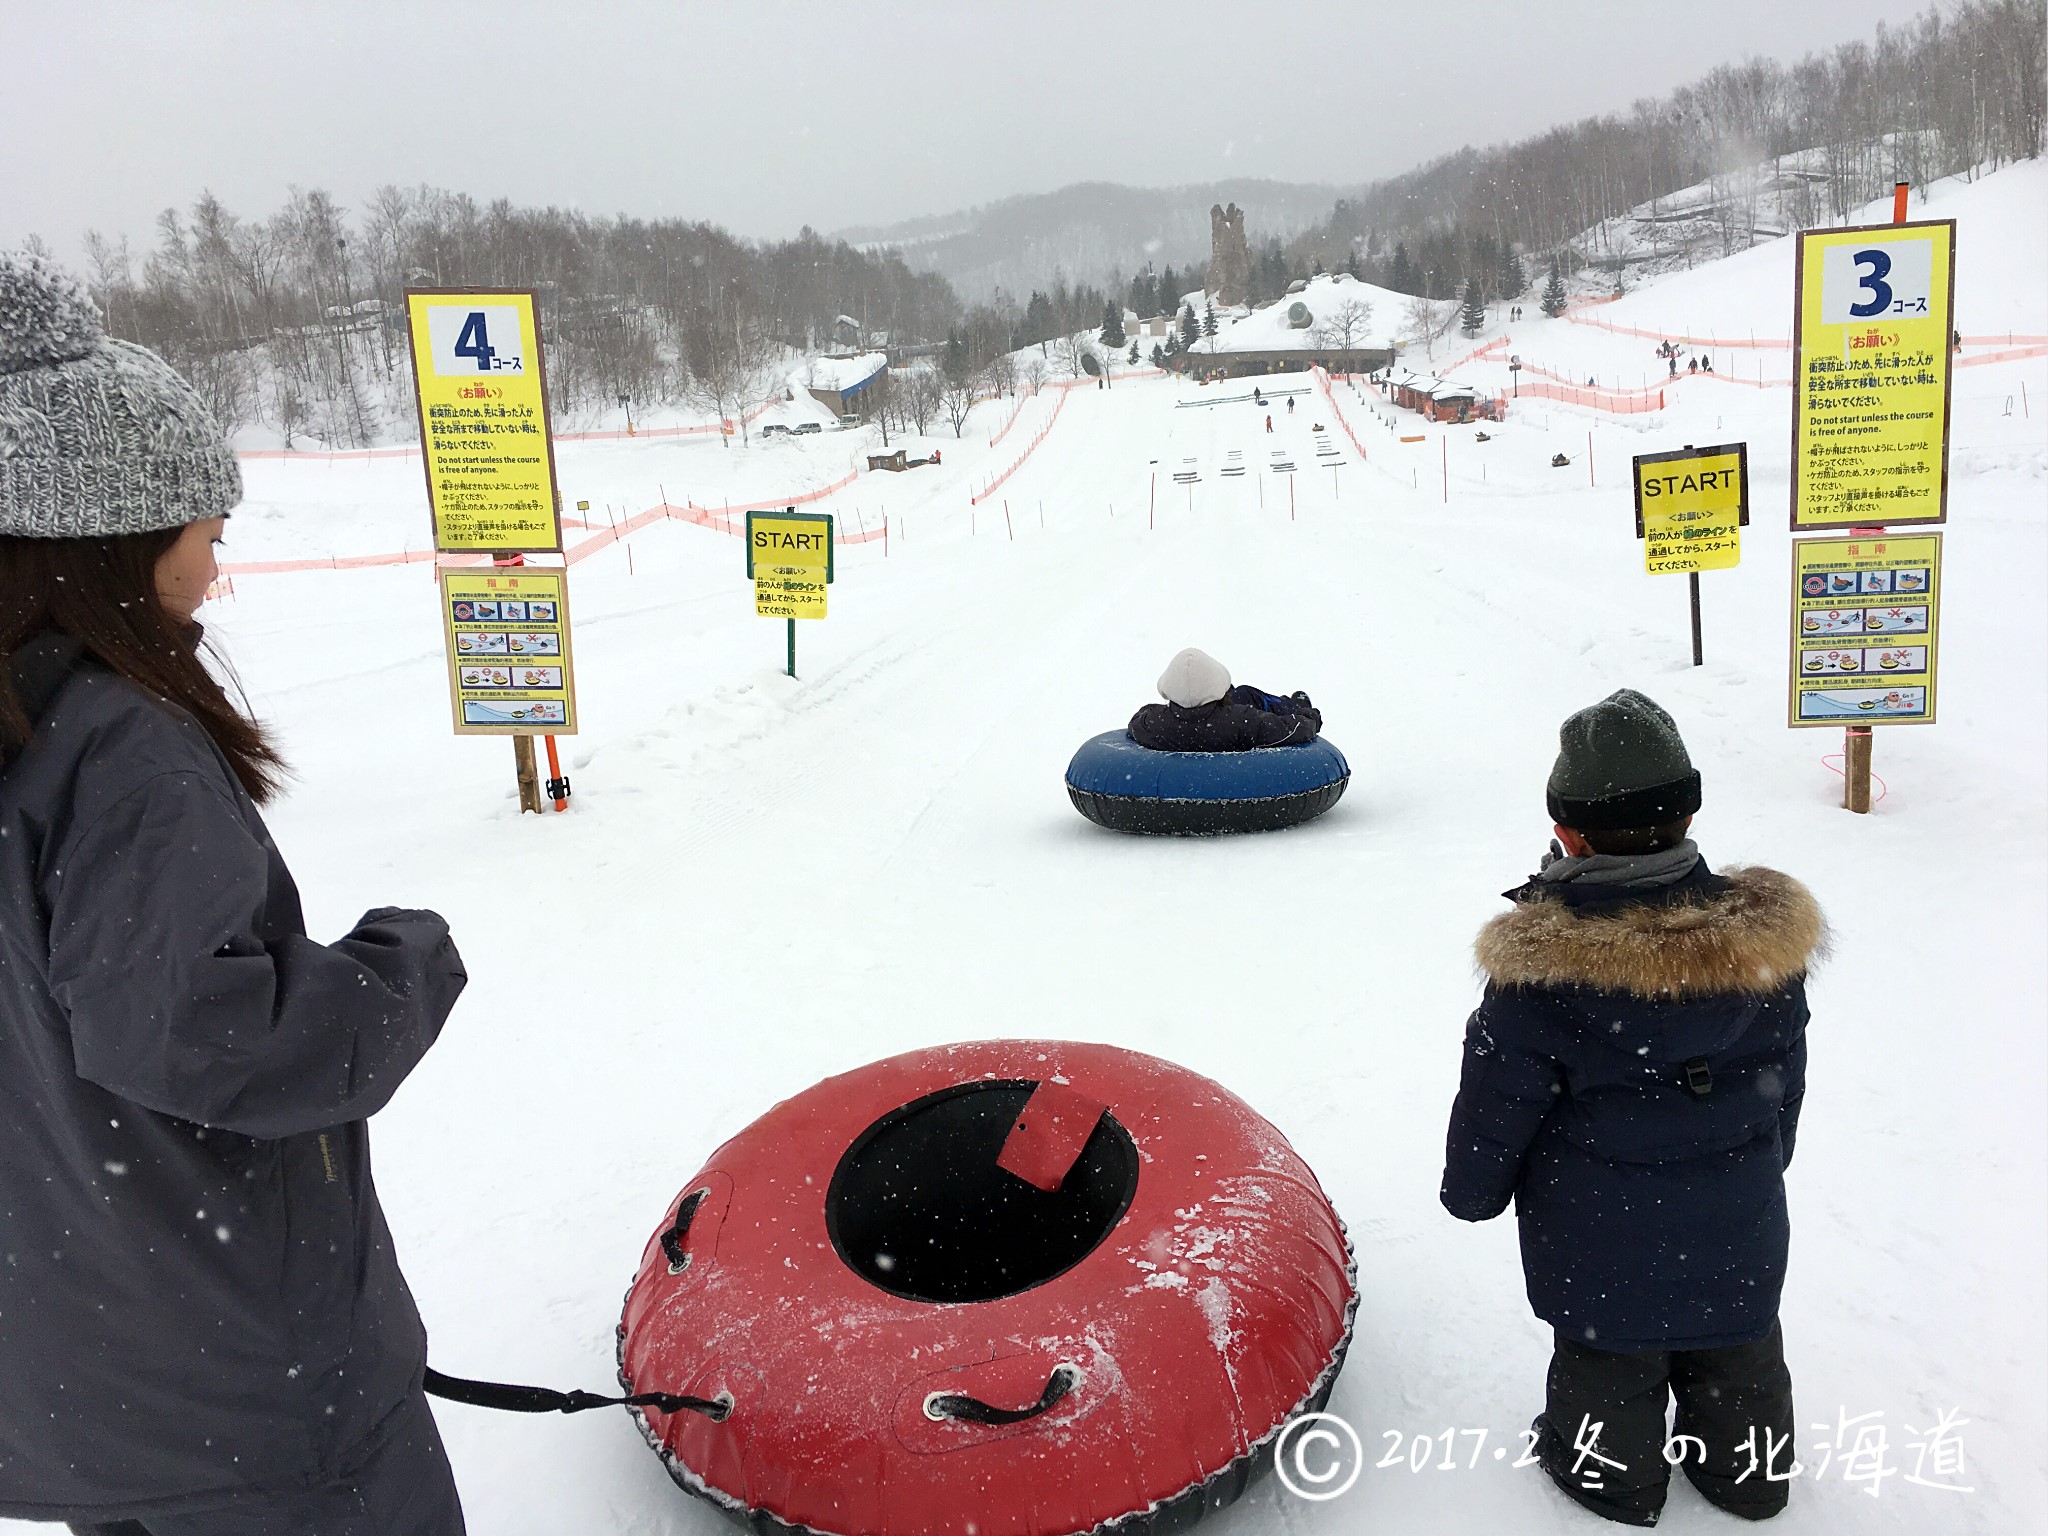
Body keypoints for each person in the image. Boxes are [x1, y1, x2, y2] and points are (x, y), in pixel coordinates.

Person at [0, 253, 470, 1535]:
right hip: (246, 1395)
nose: (216, 569)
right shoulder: (119, 747)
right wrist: (402, 968)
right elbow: (200, 1035)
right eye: (207, 533)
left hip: (78, 1379)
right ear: (110, 538)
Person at [1439, 690, 1822, 1527]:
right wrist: (1762, 1159)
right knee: (1743, 1356)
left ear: (1568, 830)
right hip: (1739, 1220)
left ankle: (1612, 1482)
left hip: (1597, 1234)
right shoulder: (1764, 953)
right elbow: (1784, 1083)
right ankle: (1748, 1479)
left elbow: (1496, 1101)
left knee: (1608, 1365)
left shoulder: (1543, 978)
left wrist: (1472, 1191)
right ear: (1689, 808)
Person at [1127, 647, 1321, 752]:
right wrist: (1310, 715)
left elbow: (1138, 719)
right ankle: (1295, 706)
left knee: (1241, 694)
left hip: (1180, 721)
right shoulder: (1241, 721)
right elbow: (1296, 729)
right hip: (1222, 720)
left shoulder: (1152, 723)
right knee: (1246, 694)